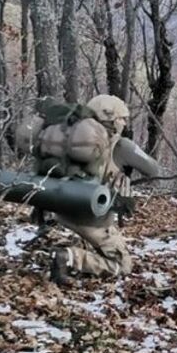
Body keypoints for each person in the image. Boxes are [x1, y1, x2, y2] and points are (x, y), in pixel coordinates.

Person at [46, 94, 135, 285]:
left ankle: (80, 246)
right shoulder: (104, 144)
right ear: (110, 119)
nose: (124, 123)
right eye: (121, 119)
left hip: (62, 207)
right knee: (123, 265)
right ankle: (68, 258)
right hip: (85, 213)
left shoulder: (73, 136)